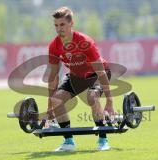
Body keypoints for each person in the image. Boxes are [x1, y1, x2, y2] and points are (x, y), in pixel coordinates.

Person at [47, 6, 114, 152]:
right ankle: (69, 142)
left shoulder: (85, 42)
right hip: (76, 77)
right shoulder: (54, 46)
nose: (59, 29)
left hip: (96, 74)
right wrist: (49, 106)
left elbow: (101, 72)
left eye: (62, 25)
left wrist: (109, 101)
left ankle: (103, 140)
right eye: (56, 26)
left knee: (92, 97)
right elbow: (53, 77)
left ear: (71, 23)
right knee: (56, 99)